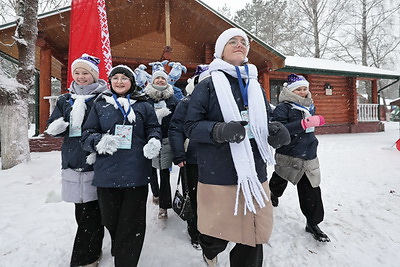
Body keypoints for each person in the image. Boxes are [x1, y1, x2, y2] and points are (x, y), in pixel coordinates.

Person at [184, 28, 290, 267]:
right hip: (219, 173)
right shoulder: (208, 85)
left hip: (254, 172)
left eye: (243, 42)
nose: (239, 44)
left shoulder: (254, 85)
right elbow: (190, 126)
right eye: (232, 41)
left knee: (252, 236)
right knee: (216, 234)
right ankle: (210, 252)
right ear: (221, 50)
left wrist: (274, 130)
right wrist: (218, 130)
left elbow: (264, 119)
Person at [81, 65, 162, 266]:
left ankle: (127, 259)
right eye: (115, 78)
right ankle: (121, 245)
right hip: (107, 174)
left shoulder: (143, 105)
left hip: (136, 172)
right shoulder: (101, 104)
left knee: (133, 221)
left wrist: (154, 140)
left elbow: (154, 128)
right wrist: (98, 140)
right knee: (111, 219)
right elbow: (86, 134)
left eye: (124, 78)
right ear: (110, 81)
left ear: (131, 82)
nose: (119, 81)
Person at [45, 53, 106, 267]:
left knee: (93, 209)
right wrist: (59, 126)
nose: (81, 77)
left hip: (96, 159)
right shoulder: (65, 100)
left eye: (85, 73)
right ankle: (91, 249)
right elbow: (53, 125)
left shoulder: (102, 98)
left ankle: (86, 256)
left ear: (94, 75)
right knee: (82, 210)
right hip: (72, 159)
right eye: (77, 73)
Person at [269, 73, 330, 242]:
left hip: (309, 153)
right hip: (289, 152)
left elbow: (309, 127)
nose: (303, 92)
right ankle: (272, 194)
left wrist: (314, 123)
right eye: (299, 89)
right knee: (280, 177)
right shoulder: (283, 108)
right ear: (290, 91)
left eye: (305, 89)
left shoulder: (310, 105)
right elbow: (277, 129)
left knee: (311, 188)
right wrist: (302, 125)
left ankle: (313, 222)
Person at [168, 65, 209, 249]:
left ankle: (212, 229)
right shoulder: (186, 102)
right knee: (194, 196)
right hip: (192, 158)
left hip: (218, 160)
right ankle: (196, 231)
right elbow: (176, 128)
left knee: (214, 197)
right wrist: (179, 153)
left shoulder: (223, 102)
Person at [144, 70, 179, 219]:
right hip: (149, 140)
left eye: (162, 78)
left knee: (164, 172)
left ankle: (164, 206)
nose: (160, 80)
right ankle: (156, 193)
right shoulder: (145, 99)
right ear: (152, 81)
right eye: (157, 78)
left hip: (166, 140)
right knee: (151, 171)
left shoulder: (173, 99)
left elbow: (178, 119)